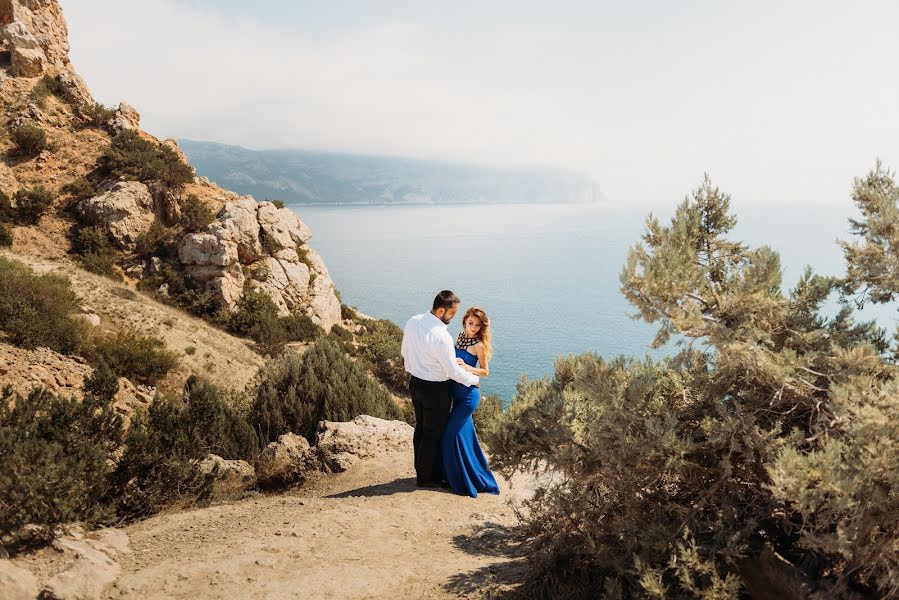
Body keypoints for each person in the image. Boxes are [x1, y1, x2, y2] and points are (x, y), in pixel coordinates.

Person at [401, 290, 479, 488]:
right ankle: (427, 478)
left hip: (415, 383)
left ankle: (421, 471)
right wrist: (473, 379)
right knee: (433, 433)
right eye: (452, 314)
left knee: (420, 428)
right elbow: (452, 371)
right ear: (441, 310)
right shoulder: (441, 335)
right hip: (435, 390)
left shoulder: (413, 321)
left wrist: (414, 369)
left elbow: (405, 352)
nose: (453, 318)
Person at [440, 307, 500, 497]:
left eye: (477, 325)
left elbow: (485, 372)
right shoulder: (459, 337)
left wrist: (467, 367)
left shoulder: (479, 345)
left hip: (468, 396)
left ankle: (460, 480)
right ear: (465, 321)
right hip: (456, 394)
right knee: (465, 438)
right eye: (471, 323)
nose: (473, 328)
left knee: (450, 435)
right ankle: (471, 476)